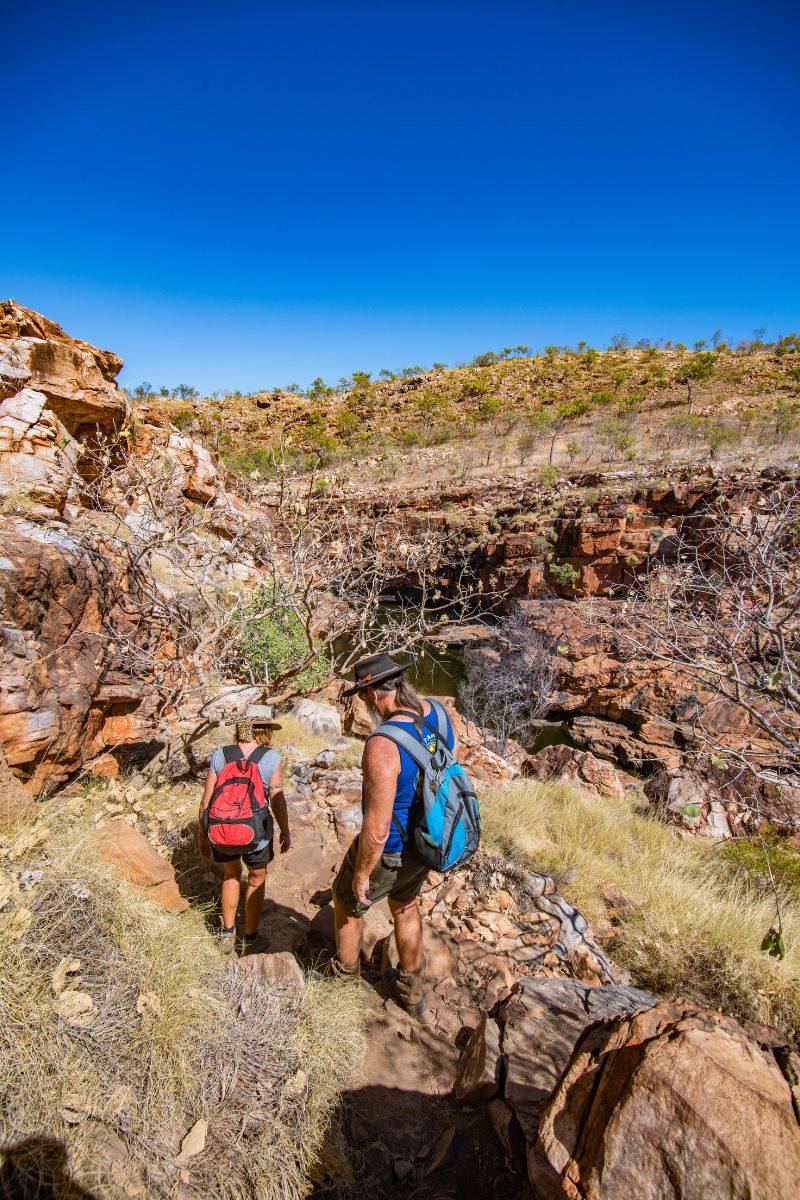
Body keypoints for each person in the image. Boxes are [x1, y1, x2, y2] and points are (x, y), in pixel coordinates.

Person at [331, 652, 457, 1016]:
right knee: (405, 905)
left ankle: (343, 982)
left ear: (372, 695)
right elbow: (448, 768)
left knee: (349, 903)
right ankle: (412, 992)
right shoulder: (439, 713)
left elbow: (376, 829)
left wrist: (361, 875)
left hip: (394, 847)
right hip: (429, 841)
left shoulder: (383, 743)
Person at [198, 704, 291, 953]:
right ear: (265, 730)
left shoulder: (221, 755)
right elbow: (278, 801)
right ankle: (249, 938)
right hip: (256, 834)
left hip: (223, 830)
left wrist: (202, 834)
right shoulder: (271, 757)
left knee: (230, 874)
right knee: (256, 878)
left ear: (243, 727)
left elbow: (206, 801)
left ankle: (227, 934)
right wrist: (285, 830)